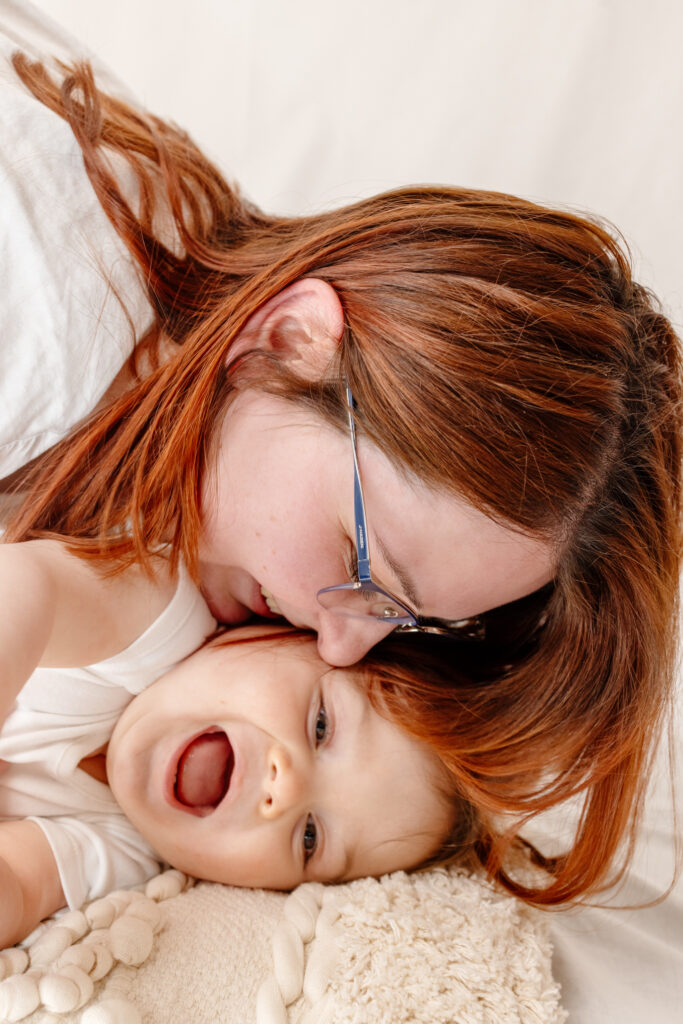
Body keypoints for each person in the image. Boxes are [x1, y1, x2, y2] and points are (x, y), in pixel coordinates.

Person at [1, 52, 681, 909]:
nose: (337, 645)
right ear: (288, 342)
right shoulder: (41, 290)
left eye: (399, 617)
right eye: (360, 564)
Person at [0, 538, 467, 950]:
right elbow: (27, 584)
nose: (284, 788)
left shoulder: (131, 851)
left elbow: (19, 885)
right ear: (279, 631)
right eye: (321, 726)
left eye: (310, 838)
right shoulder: (158, 615)